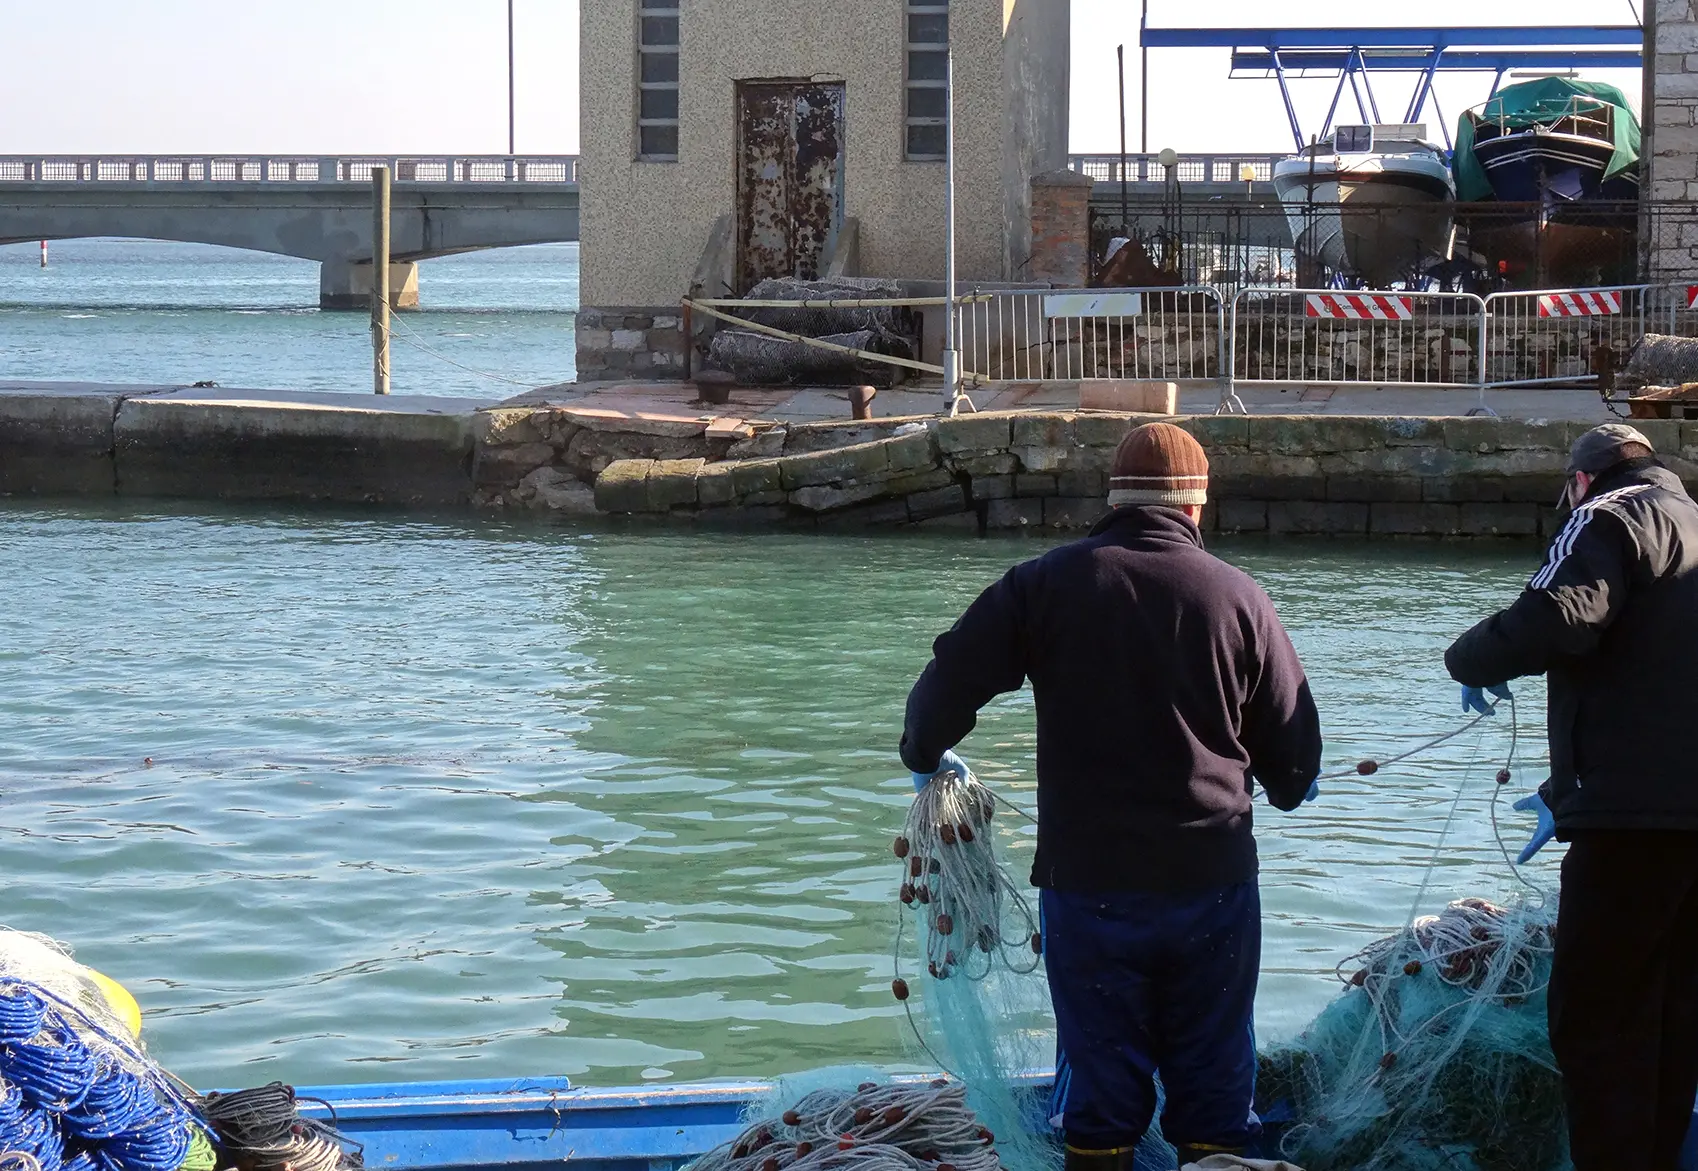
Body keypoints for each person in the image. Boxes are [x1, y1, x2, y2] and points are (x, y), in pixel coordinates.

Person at [898, 422, 1324, 1171]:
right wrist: (1293, 779)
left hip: (1090, 888)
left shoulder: (1043, 584)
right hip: (1212, 884)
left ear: (1113, 499)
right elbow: (1295, 759)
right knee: (1215, 1083)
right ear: (1197, 506)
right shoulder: (1241, 598)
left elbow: (947, 681)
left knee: (1100, 1090)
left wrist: (925, 756)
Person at [1444, 422, 1698, 1171]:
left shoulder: (1606, 515)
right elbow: (1659, 678)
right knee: (1670, 1020)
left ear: (1580, 481)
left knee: (1595, 1019)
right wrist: (1566, 785)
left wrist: (1470, 658)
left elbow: (1563, 611)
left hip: (1631, 833)